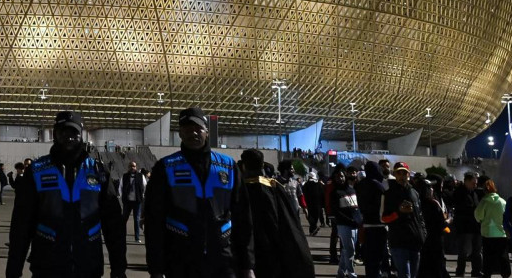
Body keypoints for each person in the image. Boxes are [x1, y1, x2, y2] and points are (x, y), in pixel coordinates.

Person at [8, 110, 126, 278]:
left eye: (74, 133)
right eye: (63, 132)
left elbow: (114, 225)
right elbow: (21, 224)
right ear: (55, 134)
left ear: (82, 136)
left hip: (88, 266)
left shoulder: (98, 172)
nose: (69, 137)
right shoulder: (36, 171)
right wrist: (13, 268)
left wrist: (118, 268)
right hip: (46, 268)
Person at [145, 108, 253, 278]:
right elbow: (154, 222)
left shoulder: (228, 166)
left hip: (223, 261)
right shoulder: (165, 168)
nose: (193, 133)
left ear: (207, 132)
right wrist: (156, 269)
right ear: (180, 133)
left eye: (198, 128)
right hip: (181, 262)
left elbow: (243, 219)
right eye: (187, 129)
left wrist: (247, 266)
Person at [240, 149, 315, 278]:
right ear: (262, 165)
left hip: (247, 248)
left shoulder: (239, 189)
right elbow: (288, 220)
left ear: (243, 166)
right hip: (273, 245)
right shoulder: (275, 187)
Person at [381, 162, 426, 278]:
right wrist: (399, 212)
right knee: (404, 275)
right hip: (399, 241)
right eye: (398, 173)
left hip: (415, 241)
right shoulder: (389, 194)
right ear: (394, 175)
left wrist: (423, 233)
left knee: (414, 275)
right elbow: (384, 218)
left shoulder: (414, 193)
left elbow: (420, 216)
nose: (402, 176)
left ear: (408, 175)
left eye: (404, 173)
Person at [356, 161, 390, 278]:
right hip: (379, 225)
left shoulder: (360, 184)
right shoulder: (378, 186)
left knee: (369, 259)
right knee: (379, 258)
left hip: (366, 224)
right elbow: (383, 206)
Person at [328, 163, 360, 278]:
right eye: (337, 177)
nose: (340, 178)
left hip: (355, 225)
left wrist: (358, 219)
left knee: (346, 251)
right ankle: (351, 273)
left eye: (341, 176)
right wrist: (351, 220)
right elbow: (337, 212)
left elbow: (357, 207)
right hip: (344, 225)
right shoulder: (335, 193)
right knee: (350, 250)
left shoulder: (352, 190)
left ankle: (341, 272)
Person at [475, 178, 510, 278]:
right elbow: (507, 217)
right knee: (503, 256)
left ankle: (487, 274)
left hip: (488, 233)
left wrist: (481, 221)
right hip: (501, 233)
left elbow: (478, 215)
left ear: (485, 191)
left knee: (488, 257)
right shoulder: (502, 202)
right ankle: (506, 274)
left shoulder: (484, 202)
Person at [418, 175, 451, 278]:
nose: (432, 189)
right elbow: (441, 222)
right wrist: (449, 220)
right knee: (437, 265)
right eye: (430, 188)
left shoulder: (417, 203)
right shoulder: (433, 204)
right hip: (436, 238)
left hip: (423, 238)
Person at [453, 172, 484, 277]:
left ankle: (476, 270)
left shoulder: (473, 193)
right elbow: (462, 209)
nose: (475, 185)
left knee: (477, 250)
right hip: (465, 227)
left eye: (475, 183)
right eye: (473, 183)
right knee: (463, 251)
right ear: (466, 181)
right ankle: (460, 271)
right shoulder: (460, 193)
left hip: (475, 226)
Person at [118, 161, 146, 244]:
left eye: (134, 166)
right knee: (124, 219)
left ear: (136, 167)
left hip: (137, 201)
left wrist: (142, 195)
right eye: (131, 166)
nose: (132, 167)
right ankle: (122, 236)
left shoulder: (141, 176)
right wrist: (122, 196)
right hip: (127, 201)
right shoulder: (125, 176)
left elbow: (145, 186)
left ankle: (137, 238)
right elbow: (120, 187)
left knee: (136, 220)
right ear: (128, 167)